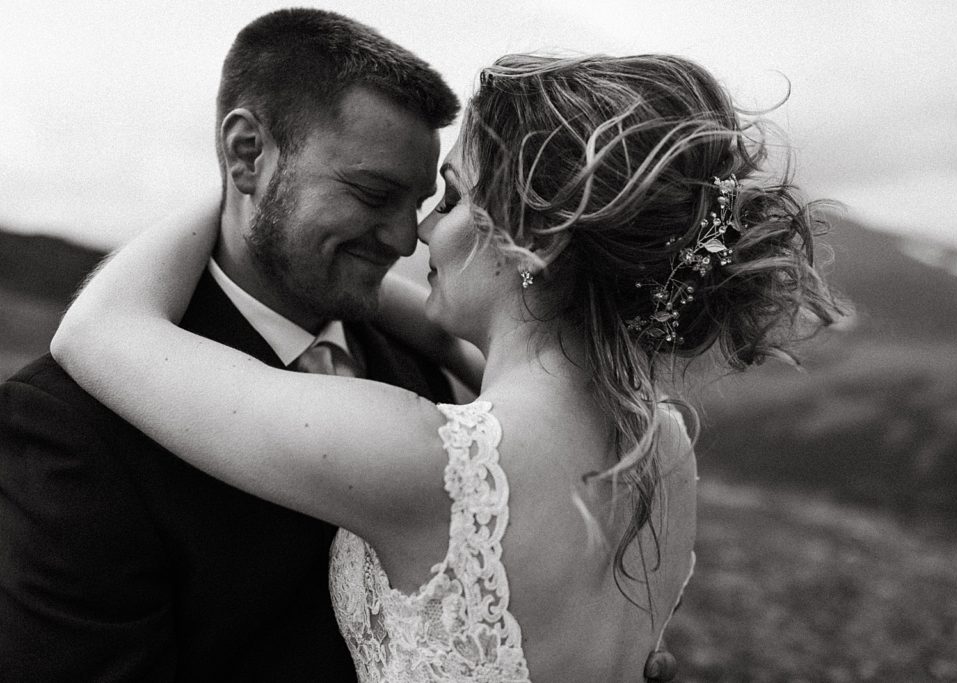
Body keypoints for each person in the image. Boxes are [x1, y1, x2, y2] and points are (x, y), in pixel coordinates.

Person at [51, 52, 844, 682]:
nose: (419, 232)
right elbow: (465, 342)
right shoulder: (661, 445)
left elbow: (96, 330)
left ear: (538, 240)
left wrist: (245, 180)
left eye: (454, 197)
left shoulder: (432, 461)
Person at [0, 9, 459, 681]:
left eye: (417, 202)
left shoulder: (420, 365)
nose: (403, 238)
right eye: (373, 193)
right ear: (248, 155)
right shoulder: (71, 427)